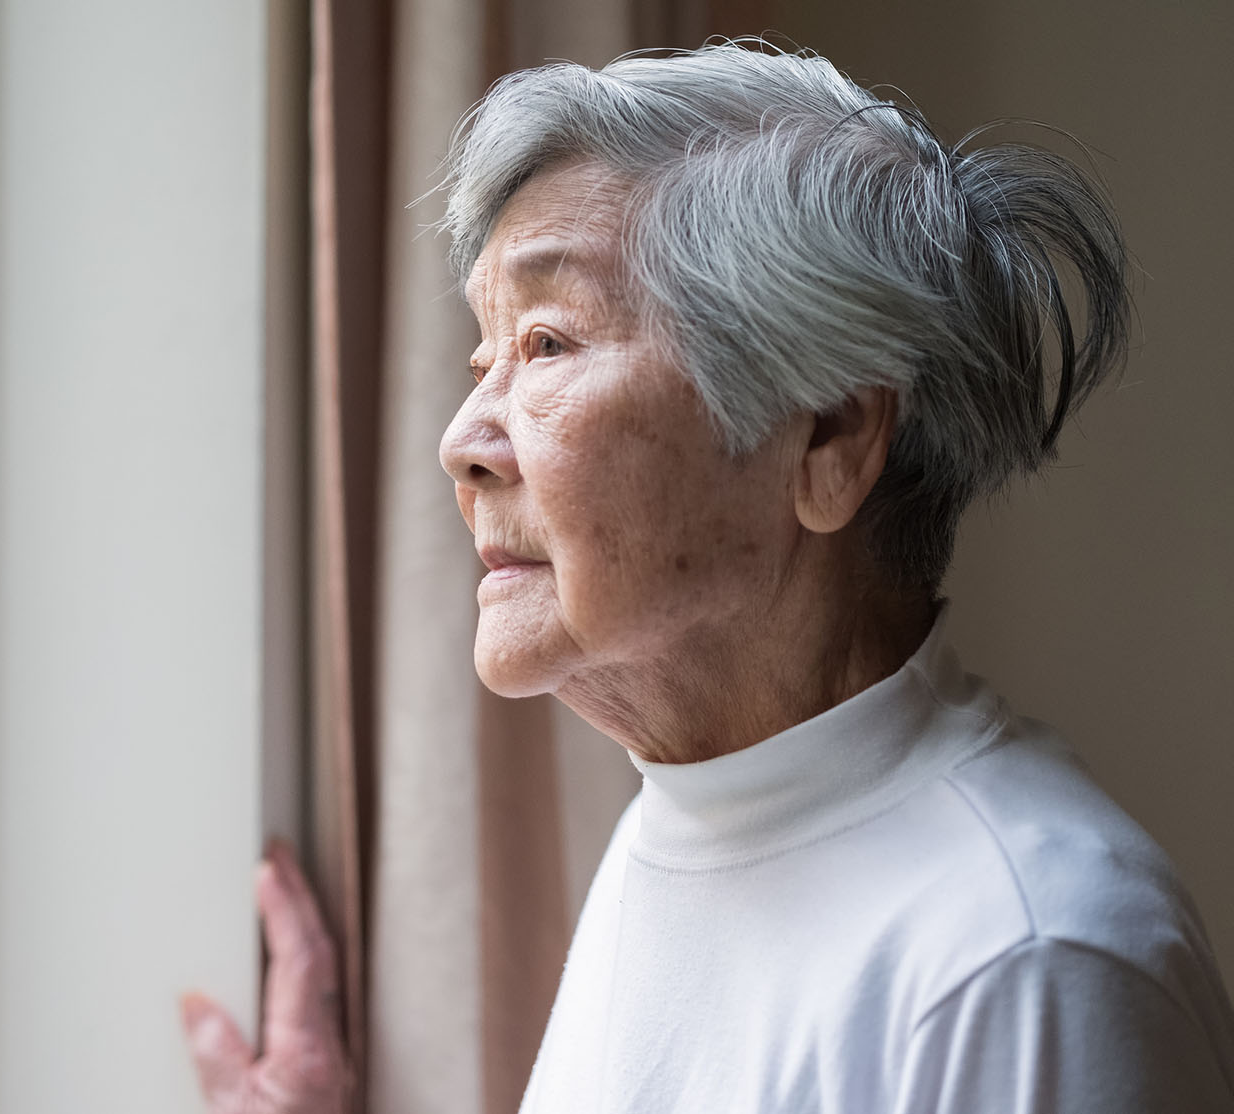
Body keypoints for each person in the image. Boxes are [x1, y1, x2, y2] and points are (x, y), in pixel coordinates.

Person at [180, 42, 1234, 1112]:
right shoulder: (684, 821)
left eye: (546, 344)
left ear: (828, 435)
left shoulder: (1026, 958)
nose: (462, 441)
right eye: (480, 359)